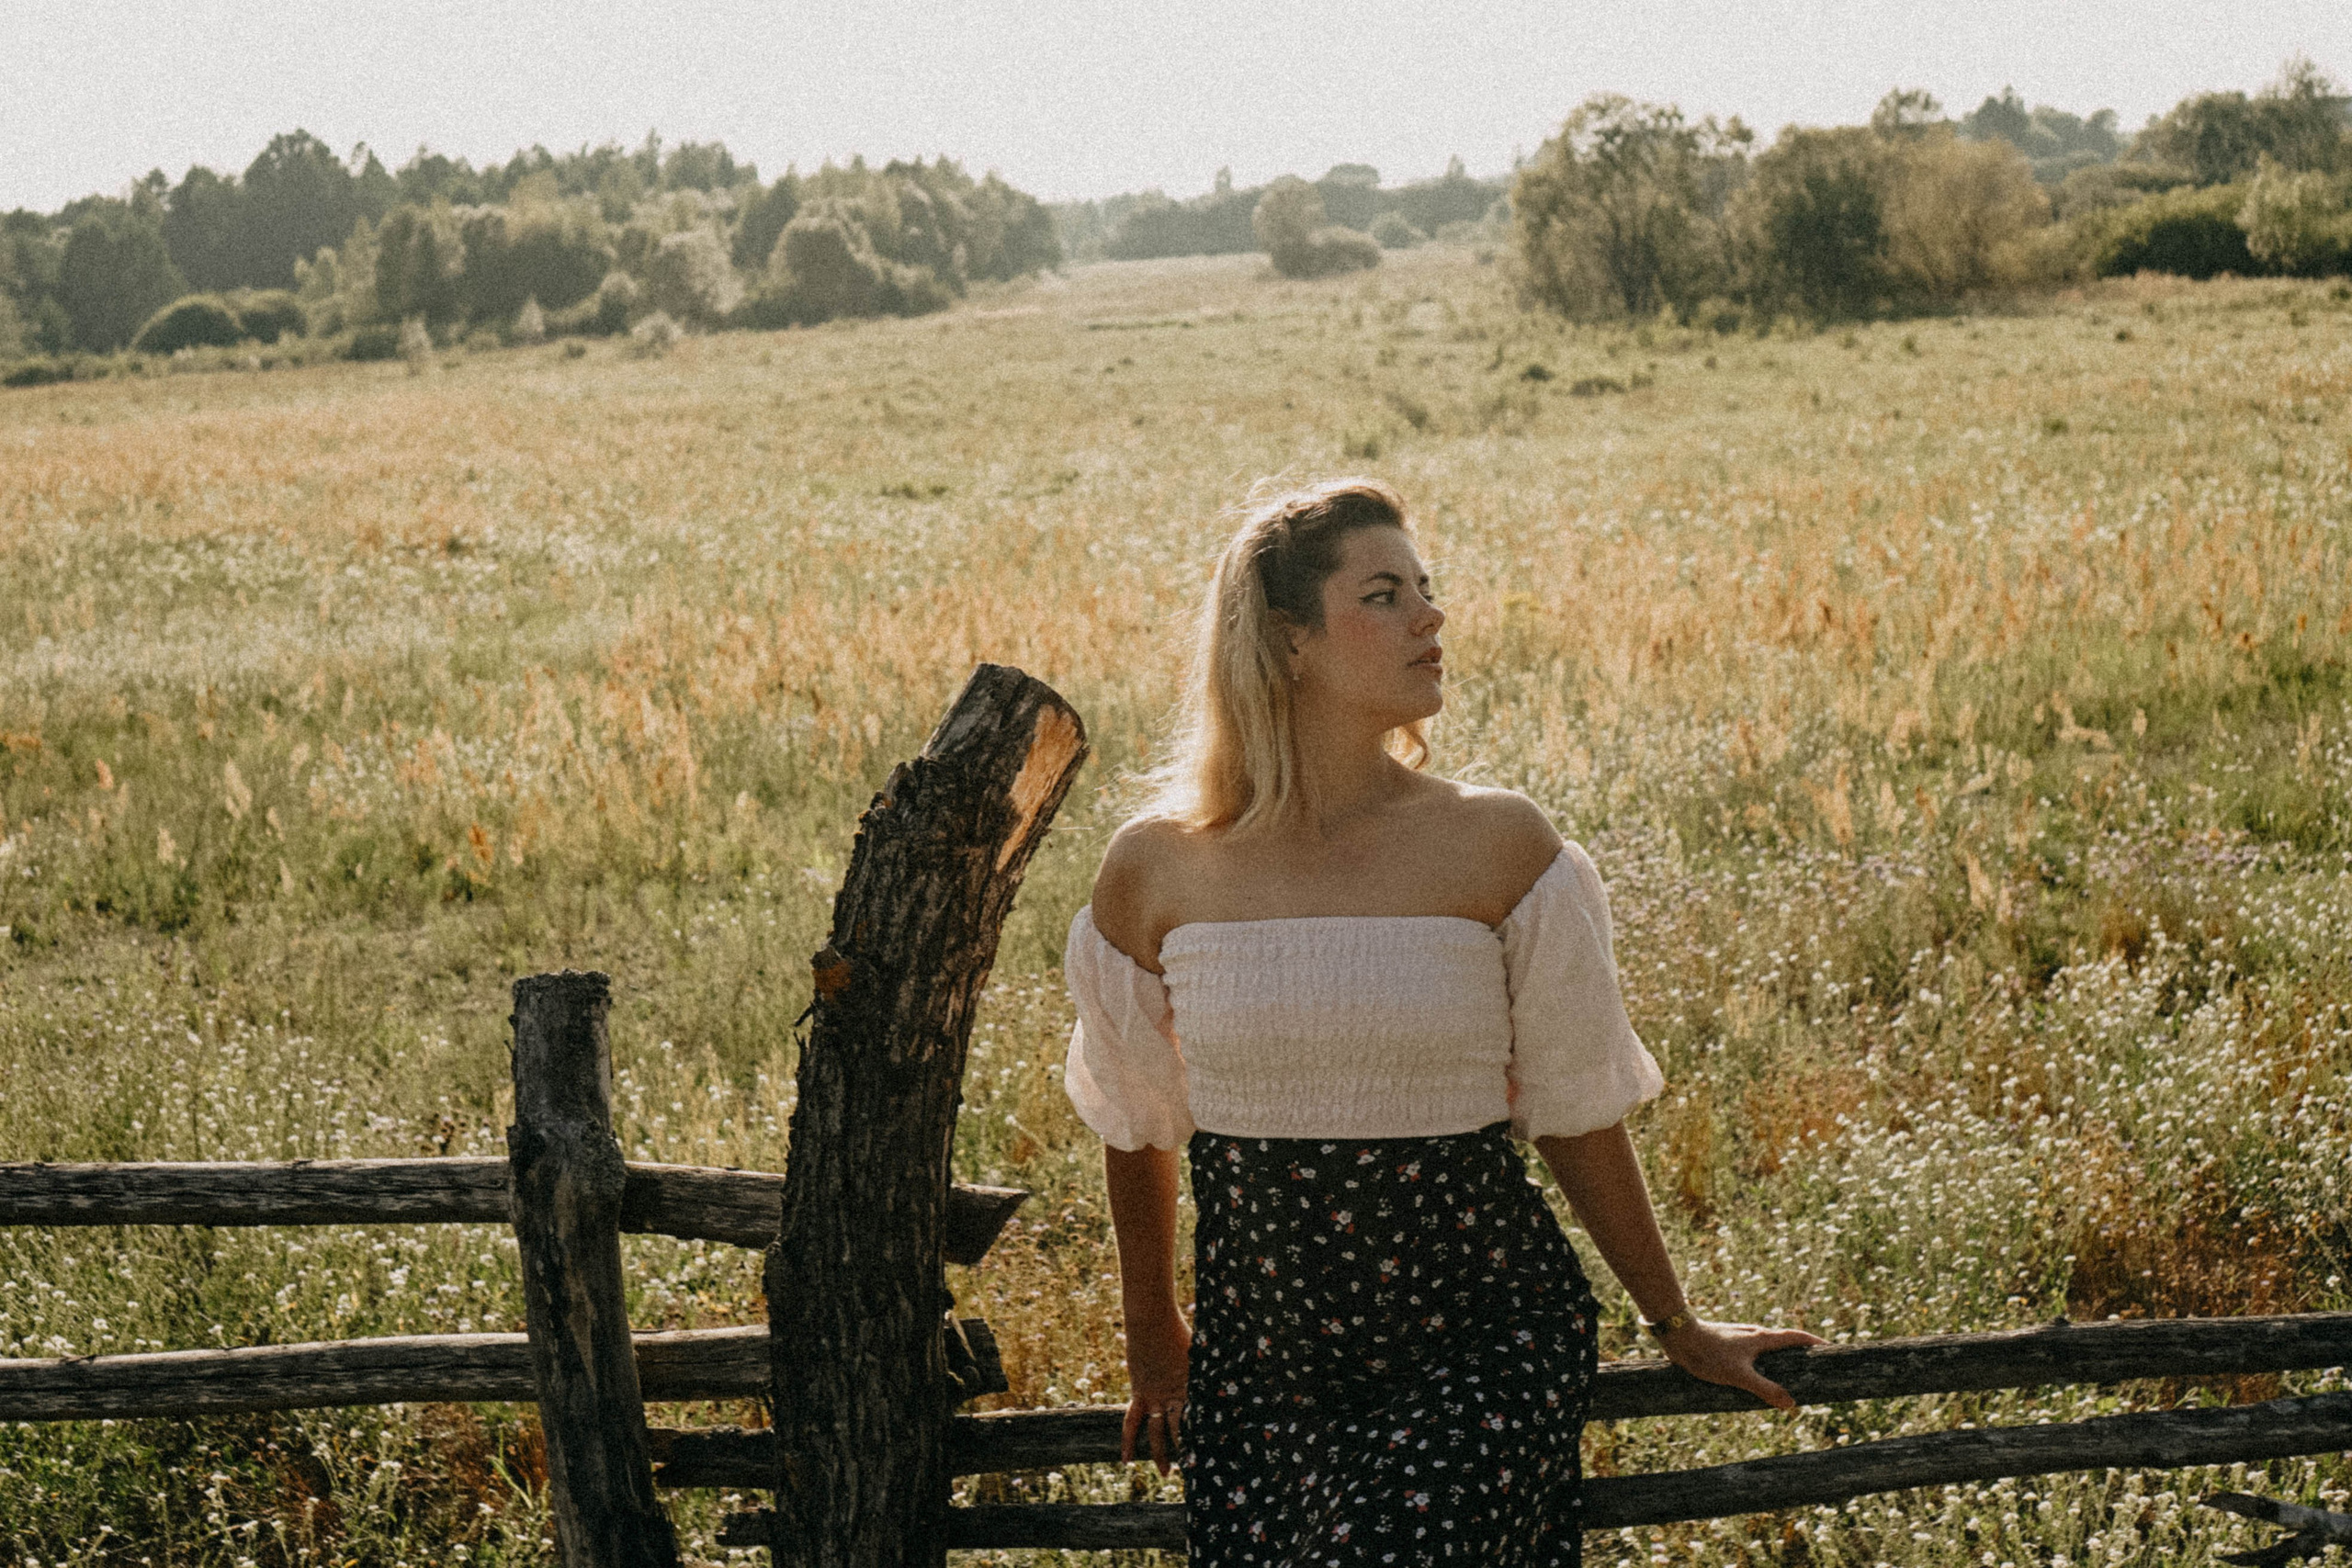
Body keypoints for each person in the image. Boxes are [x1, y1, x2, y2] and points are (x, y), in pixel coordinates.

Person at [1059, 478, 1820, 1565]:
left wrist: (1674, 1322)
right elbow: (1134, 1121)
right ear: (1288, 641)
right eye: (1383, 595)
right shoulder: (1156, 868)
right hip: (1268, 1353)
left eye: (1426, 588)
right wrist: (1154, 1342)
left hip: (1477, 1331)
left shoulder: (1501, 845)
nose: (1432, 616)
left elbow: (1574, 1111)